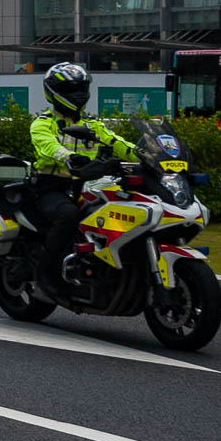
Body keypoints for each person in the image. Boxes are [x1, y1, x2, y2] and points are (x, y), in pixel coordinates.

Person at [28, 62, 136, 296]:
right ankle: (46, 273)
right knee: (68, 215)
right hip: (51, 186)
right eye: (71, 89)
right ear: (54, 91)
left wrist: (144, 156)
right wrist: (68, 157)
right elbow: (47, 146)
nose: (77, 94)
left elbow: (115, 142)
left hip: (87, 184)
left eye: (81, 88)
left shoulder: (92, 125)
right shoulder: (43, 123)